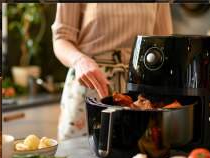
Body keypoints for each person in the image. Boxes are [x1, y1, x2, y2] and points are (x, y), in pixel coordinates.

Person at [52, 3, 173, 140]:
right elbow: (61, 39)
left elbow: (165, 44)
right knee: (78, 156)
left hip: (139, 93)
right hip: (90, 85)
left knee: (138, 156)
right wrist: (79, 61)